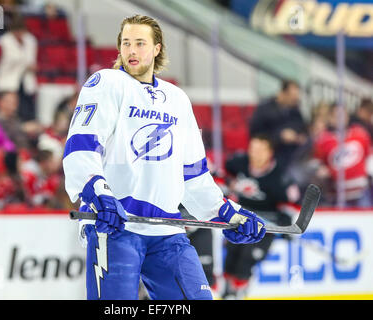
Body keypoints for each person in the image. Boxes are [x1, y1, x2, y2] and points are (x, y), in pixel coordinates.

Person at [62, 14, 266, 300]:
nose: (131, 50)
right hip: (117, 227)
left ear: (157, 48)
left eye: (140, 43)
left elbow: (193, 174)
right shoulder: (106, 82)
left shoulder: (177, 99)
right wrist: (97, 191)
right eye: (126, 43)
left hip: (167, 232)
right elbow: (81, 146)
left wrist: (226, 213)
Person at [222, 134, 300, 299]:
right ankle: (228, 292)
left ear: (269, 152)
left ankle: (239, 292)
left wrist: (285, 224)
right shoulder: (238, 164)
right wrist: (228, 186)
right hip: (239, 220)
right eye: (252, 148)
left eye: (260, 149)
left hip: (264, 226)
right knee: (230, 259)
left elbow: (291, 205)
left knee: (246, 260)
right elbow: (221, 178)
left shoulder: (280, 178)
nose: (255, 153)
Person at [313, 103, 372, 207]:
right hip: (337, 195)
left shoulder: (360, 134)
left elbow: (369, 158)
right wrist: (321, 171)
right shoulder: (324, 140)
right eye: (336, 116)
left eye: (343, 115)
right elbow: (316, 164)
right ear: (330, 118)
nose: (340, 119)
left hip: (361, 192)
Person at [249, 80, 307, 167]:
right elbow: (256, 133)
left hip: (294, 154)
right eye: (293, 97)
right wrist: (280, 136)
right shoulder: (264, 109)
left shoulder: (295, 110)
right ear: (283, 93)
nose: (296, 100)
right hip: (273, 154)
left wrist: (298, 137)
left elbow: (302, 127)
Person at [0, 15, 38, 122]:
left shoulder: (31, 40)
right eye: (16, 31)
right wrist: (25, 64)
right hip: (8, 80)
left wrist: (30, 65)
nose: (19, 34)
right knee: (11, 112)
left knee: (28, 112)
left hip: (26, 81)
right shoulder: (4, 40)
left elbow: (32, 60)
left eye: (21, 31)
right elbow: (10, 60)